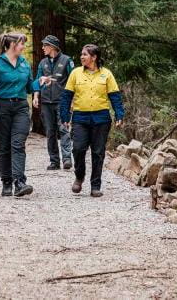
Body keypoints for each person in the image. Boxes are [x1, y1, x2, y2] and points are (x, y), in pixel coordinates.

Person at [60, 44, 125, 197]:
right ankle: (79, 176)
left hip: (101, 118)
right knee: (78, 149)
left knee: (98, 152)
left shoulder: (106, 74)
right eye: (81, 54)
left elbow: (115, 96)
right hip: (80, 117)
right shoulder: (75, 73)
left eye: (85, 54)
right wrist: (65, 116)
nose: (82, 57)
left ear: (94, 57)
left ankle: (95, 185)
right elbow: (67, 96)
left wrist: (119, 115)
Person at [0, 32, 34, 197]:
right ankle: (6, 181)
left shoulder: (24, 63)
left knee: (18, 143)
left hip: (20, 107)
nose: (23, 46)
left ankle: (19, 182)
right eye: (21, 43)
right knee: (5, 146)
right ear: (12, 44)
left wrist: (40, 84)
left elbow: (29, 86)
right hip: (1, 106)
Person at [31, 35, 74, 170]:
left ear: (52, 47)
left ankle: (67, 159)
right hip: (46, 102)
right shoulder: (42, 63)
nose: (43, 48)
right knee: (50, 132)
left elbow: (74, 80)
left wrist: (72, 100)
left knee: (64, 129)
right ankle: (54, 161)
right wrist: (36, 96)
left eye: (45, 45)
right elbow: (38, 80)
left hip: (62, 101)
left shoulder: (67, 61)